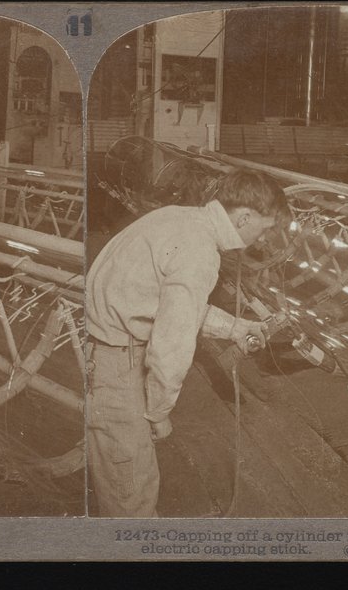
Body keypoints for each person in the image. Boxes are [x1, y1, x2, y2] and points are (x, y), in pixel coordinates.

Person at [84, 168, 287, 517]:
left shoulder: (180, 218)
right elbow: (171, 344)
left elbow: (168, 302)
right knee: (129, 493)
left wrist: (235, 327)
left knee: (126, 478)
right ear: (244, 218)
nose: (263, 239)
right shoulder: (200, 251)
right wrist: (159, 411)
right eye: (265, 228)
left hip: (106, 350)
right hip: (117, 367)